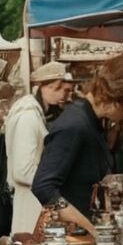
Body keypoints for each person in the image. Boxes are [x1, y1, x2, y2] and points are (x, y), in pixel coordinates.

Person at [32, 54, 123, 234]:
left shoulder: (91, 120)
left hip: (77, 235)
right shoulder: (75, 125)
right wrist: (90, 228)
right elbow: (43, 187)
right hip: (65, 240)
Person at [6, 62, 73, 235]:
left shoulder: (36, 113)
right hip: (30, 202)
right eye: (58, 89)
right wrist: (52, 180)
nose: (63, 95)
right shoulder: (28, 117)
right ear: (45, 87)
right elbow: (22, 170)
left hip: (34, 198)